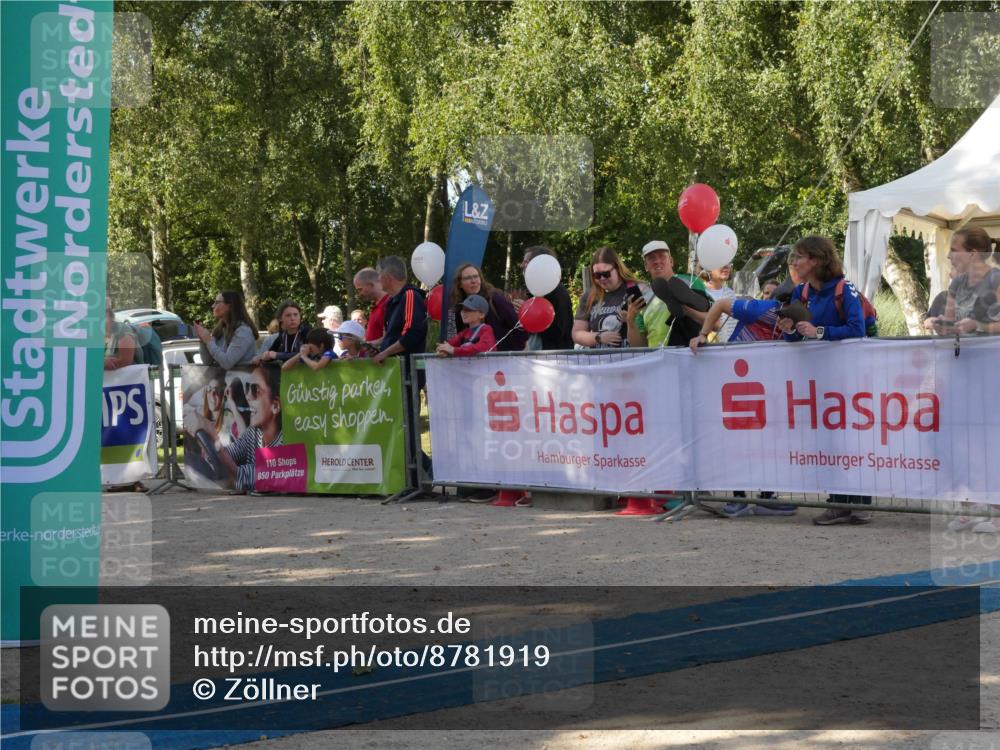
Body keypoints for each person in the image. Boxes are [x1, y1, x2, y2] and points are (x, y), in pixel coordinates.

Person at [776, 236, 872, 525]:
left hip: (850, 377)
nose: (794, 262)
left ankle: (858, 503)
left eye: (799, 257)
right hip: (820, 379)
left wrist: (819, 332)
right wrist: (788, 330)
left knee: (852, 439)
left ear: (816, 260)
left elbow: (857, 329)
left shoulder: (845, 288)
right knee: (829, 439)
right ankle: (840, 502)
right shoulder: (801, 292)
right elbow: (795, 337)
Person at [373, 255, 430, 480]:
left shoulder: (410, 296)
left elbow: (412, 333)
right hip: (394, 373)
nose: (378, 280)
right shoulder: (392, 301)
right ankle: (412, 476)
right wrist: (372, 345)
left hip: (407, 372)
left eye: (379, 276)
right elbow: (391, 336)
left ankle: (425, 474)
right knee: (399, 426)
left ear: (387, 276)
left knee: (408, 426)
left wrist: (385, 352)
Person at [626, 240, 710, 348]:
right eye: (651, 258)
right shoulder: (643, 297)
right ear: (646, 266)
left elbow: (714, 321)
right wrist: (630, 321)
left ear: (671, 261)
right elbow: (639, 346)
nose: (657, 261)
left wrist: (685, 310)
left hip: (690, 353)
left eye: (662, 256)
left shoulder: (692, 282)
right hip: (656, 357)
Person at [924, 227, 1000, 337]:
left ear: (973, 254)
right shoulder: (957, 282)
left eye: (954, 250)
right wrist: (942, 325)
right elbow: (951, 324)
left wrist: (977, 325)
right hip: (963, 347)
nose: (949, 256)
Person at [574, 247, 645, 348]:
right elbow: (577, 333)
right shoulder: (590, 296)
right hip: (599, 357)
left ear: (618, 268)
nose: (602, 278)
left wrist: (631, 320)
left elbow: (646, 332)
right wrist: (598, 337)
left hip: (628, 355)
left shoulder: (635, 289)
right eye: (597, 275)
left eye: (606, 274)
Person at [449, 263, 526, 352]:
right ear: (460, 284)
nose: (473, 281)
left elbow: (517, 325)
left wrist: (511, 353)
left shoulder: (495, 299)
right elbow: (461, 337)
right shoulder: (460, 307)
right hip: (473, 357)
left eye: (476, 276)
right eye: (467, 278)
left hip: (503, 356)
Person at [513, 245, 574, 350]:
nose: (521, 265)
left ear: (538, 264)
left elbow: (558, 331)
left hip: (556, 355)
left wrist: (530, 312)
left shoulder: (558, 291)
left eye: (526, 262)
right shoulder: (532, 291)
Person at [194, 290, 258, 369]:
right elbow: (208, 361)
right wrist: (203, 340)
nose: (213, 306)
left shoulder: (243, 331)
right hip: (225, 377)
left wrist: (208, 341)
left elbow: (227, 363)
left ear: (230, 306)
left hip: (243, 376)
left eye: (217, 302)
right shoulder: (219, 330)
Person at [257, 300, 310, 365]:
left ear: (300, 316)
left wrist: (277, 355)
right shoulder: (282, 336)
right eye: (288, 315)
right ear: (280, 318)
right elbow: (270, 354)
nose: (293, 318)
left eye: (295, 314)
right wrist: (264, 356)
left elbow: (307, 355)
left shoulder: (308, 333)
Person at [354, 267, 389, 346]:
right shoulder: (377, 305)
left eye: (360, 289)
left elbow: (392, 337)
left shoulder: (388, 304)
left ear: (371, 285)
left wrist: (370, 345)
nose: (360, 294)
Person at [104, 303, 140, 370]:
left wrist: (100, 363)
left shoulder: (123, 332)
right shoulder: (99, 333)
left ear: (111, 317)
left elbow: (125, 361)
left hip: (130, 375)